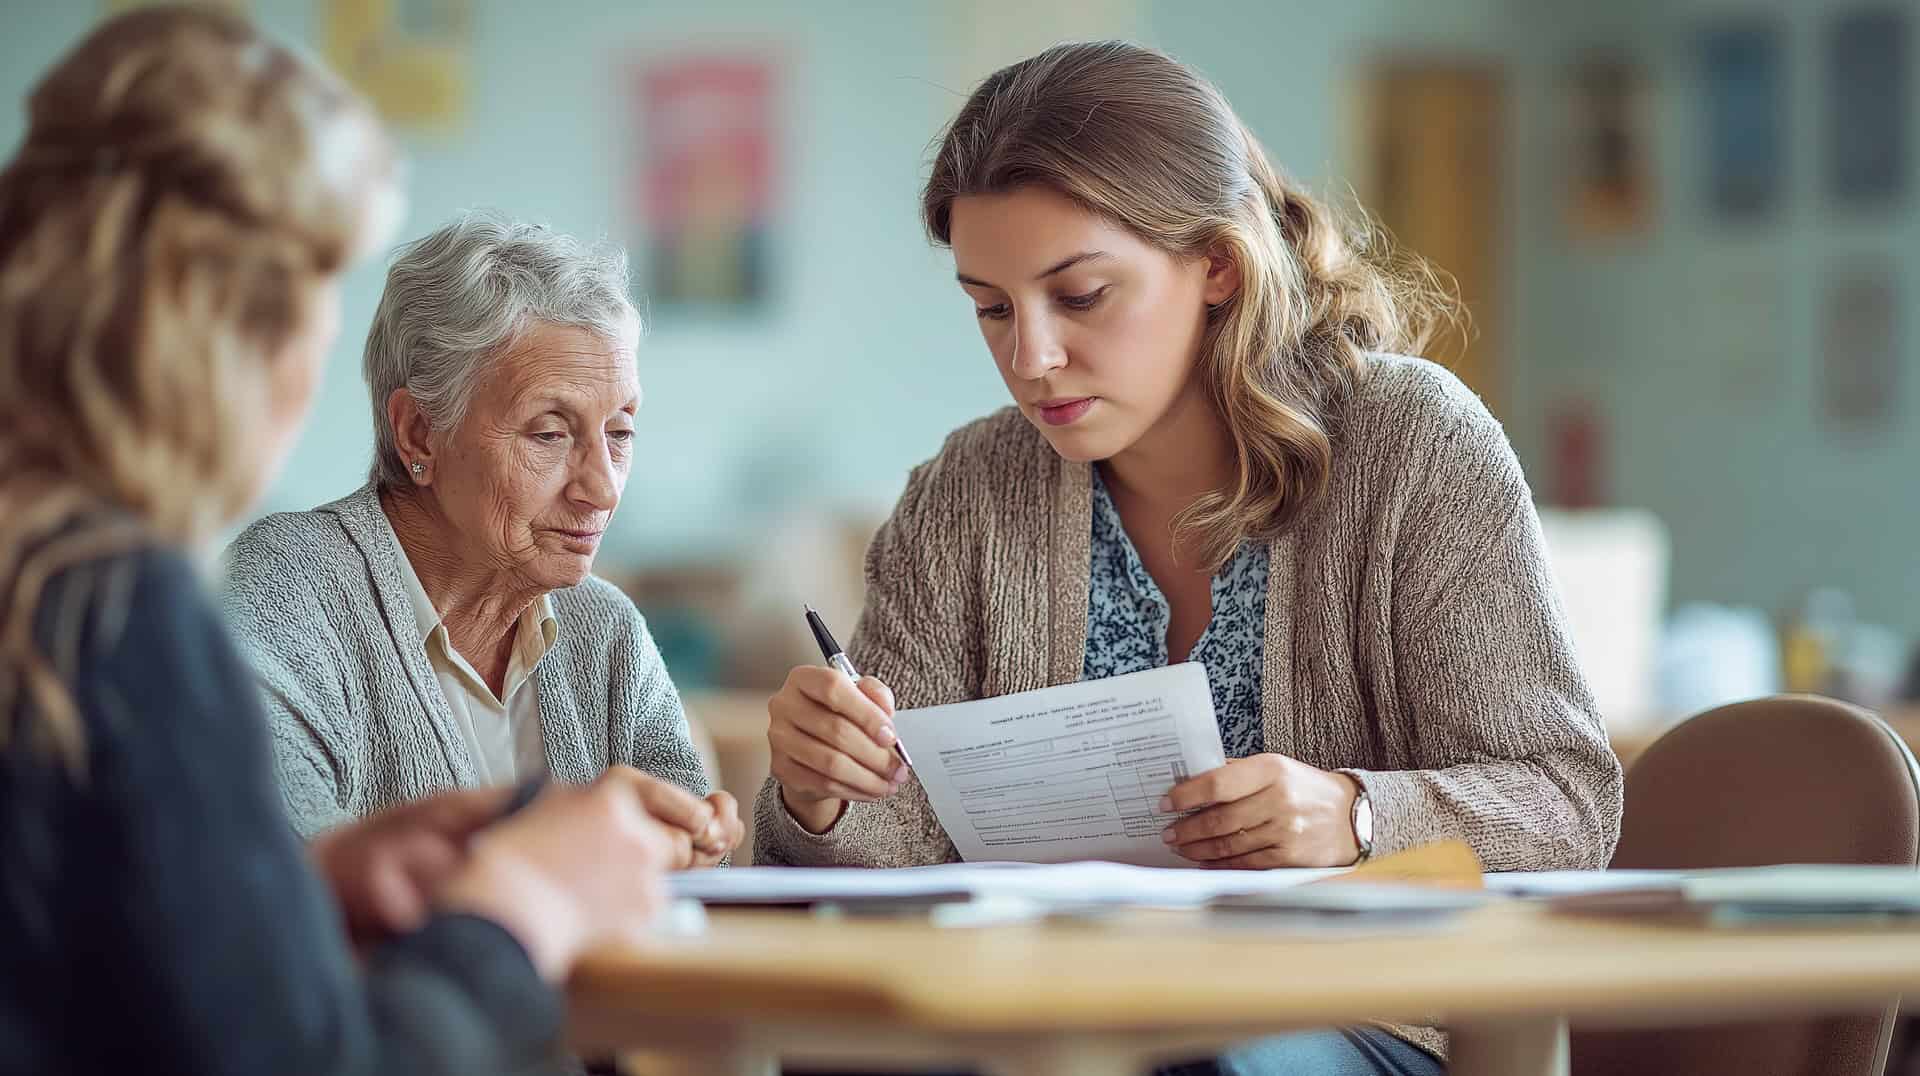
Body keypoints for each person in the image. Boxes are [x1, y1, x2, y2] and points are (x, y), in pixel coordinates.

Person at [753, 41, 1622, 1075]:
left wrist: (1352, 811)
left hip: (1357, 1019)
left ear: (1217, 264)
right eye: (992, 306)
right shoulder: (968, 492)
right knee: (835, 1053)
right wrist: (823, 791)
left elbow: (1567, 802)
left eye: (1080, 295)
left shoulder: (1415, 443)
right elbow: (897, 852)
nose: (1030, 356)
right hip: (1049, 1013)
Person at [0, 8, 678, 1072]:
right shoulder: (117, 610)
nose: (319, 354)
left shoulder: (38, 579)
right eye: (316, 292)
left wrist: (294, 887)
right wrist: (518, 904)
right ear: (222, 330)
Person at [220, 211, 741, 866]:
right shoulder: (288, 589)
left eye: (620, 433)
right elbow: (282, 875)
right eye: (550, 433)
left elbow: (698, 885)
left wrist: (695, 839)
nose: (603, 489)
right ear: (419, 434)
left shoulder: (606, 632)